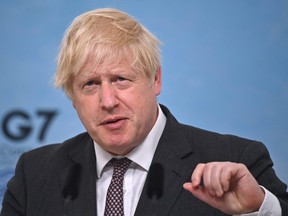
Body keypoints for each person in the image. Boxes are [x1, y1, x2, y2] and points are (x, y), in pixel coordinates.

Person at [1, 8, 288, 216]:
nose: (108, 101)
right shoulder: (34, 174)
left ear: (155, 80)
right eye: (90, 84)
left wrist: (258, 211)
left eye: (120, 80)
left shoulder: (237, 160)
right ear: (72, 97)